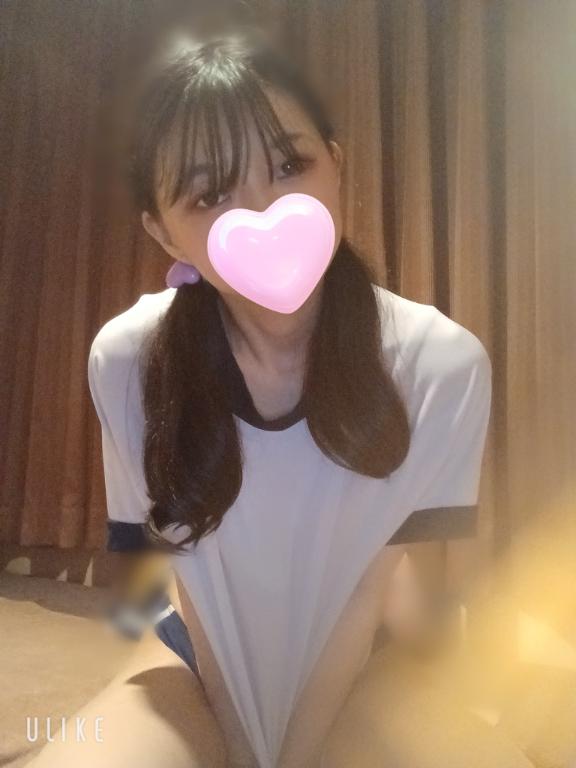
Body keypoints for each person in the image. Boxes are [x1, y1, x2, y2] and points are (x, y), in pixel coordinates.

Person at [28, 27, 536, 768]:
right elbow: (183, 577)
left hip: (375, 658)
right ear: (163, 234)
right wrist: (240, 742)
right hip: (195, 655)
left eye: (290, 165)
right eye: (209, 194)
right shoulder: (130, 360)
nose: (263, 211)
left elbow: (373, 590)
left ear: (336, 165)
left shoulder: (439, 364)